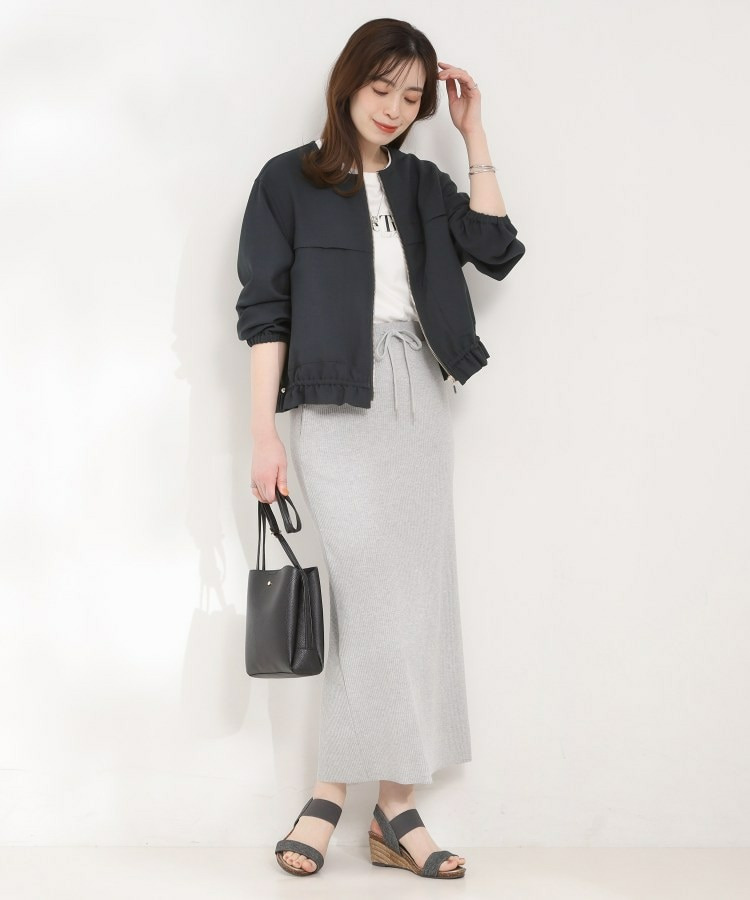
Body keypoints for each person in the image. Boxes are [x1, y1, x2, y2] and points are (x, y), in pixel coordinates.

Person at [235, 17, 525, 880]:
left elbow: (496, 251)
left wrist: (474, 136)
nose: (396, 107)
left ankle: (387, 804)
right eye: (382, 87)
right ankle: (347, 795)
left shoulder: (425, 184)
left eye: (413, 96)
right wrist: (262, 433)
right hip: (332, 403)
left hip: (417, 401)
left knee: (416, 601)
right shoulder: (286, 181)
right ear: (348, 83)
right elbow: (265, 313)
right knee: (368, 600)